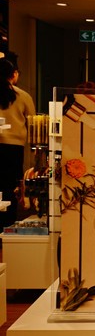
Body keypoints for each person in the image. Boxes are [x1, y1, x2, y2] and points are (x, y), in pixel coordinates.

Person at [0, 55, 36, 228]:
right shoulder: (23, 96)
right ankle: (7, 224)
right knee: (11, 187)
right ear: (13, 74)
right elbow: (33, 123)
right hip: (13, 149)